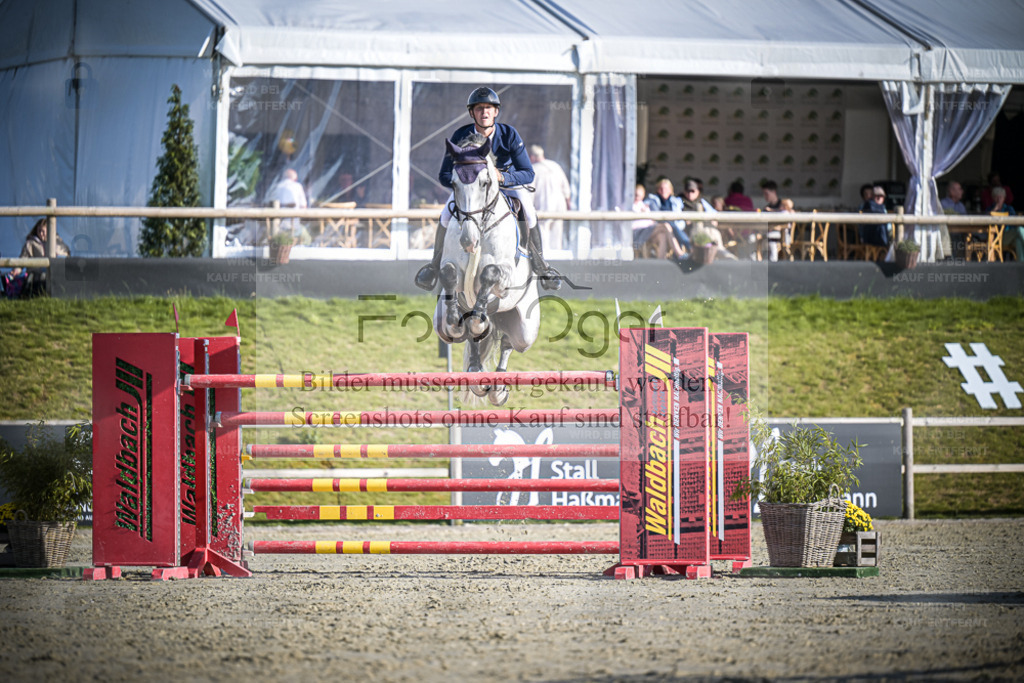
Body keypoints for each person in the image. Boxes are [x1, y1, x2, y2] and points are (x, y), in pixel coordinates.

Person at [415, 87, 560, 291]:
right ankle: (433, 266)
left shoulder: (509, 134)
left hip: (506, 185)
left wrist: (503, 177)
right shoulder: (460, 135)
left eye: (489, 108)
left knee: (528, 209)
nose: (484, 112)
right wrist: (465, 185)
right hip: (472, 191)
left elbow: (528, 173)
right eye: (479, 108)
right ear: (472, 112)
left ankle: (541, 265)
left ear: (496, 112)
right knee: (446, 213)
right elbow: (444, 175)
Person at [11, 218, 70, 297]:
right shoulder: (31, 244)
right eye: (39, 231)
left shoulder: (58, 242)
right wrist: (17, 269)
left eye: (44, 231)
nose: (41, 234)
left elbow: (66, 255)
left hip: (54, 273)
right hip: (35, 275)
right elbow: (23, 259)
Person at [528, 144, 571, 251]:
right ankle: (557, 257)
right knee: (557, 234)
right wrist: (568, 205)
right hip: (559, 206)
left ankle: (546, 260)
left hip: (544, 205)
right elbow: (566, 190)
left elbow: (530, 193)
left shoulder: (533, 170)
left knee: (543, 233)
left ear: (532, 157)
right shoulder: (555, 166)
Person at [631, 184, 685, 260]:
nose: (637, 197)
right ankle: (679, 253)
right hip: (638, 232)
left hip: (649, 231)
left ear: (643, 196)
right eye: (635, 195)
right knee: (666, 225)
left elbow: (651, 219)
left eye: (639, 196)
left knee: (662, 235)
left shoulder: (644, 205)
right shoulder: (630, 206)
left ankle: (661, 260)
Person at [644, 178, 691, 255]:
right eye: (661, 188)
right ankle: (683, 251)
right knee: (668, 225)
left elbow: (680, 219)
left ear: (670, 190)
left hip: (671, 229)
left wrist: (676, 227)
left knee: (666, 232)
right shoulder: (652, 200)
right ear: (657, 190)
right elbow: (644, 207)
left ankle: (661, 262)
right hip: (656, 228)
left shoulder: (676, 201)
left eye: (666, 188)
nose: (663, 190)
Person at [268, 168, 309, 243]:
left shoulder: (277, 187)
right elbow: (304, 206)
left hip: (276, 226)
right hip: (293, 226)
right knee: (307, 237)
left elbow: (269, 203)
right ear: (295, 178)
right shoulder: (297, 186)